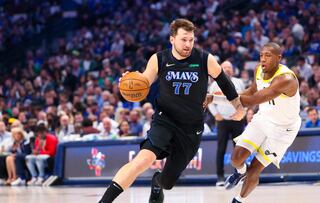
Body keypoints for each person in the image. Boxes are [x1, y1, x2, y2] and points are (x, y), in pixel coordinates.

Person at [98, 18, 244, 203]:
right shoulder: (159, 59)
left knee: (168, 182)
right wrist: (130, 80)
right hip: (164, 119)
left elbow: (224, 82)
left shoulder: (204, 59)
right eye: (184, 39)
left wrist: (238, 107)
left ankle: (157, 182)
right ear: (172, 39)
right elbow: (143, 82)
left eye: (191, 39)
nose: (188, 44)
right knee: (141, 161)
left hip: (191, 127)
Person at [207, 42, 301, 203]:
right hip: (262, 119)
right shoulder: (259, 69)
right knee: (236, 158)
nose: (263, 59)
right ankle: (240, 171)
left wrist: (216, 98)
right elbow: (250, 92)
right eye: (261, 55)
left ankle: (239, 199)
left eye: (268, 56)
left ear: (279, 58)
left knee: (255, 169)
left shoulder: (285, 79)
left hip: (282, 131)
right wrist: (226, 95)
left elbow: (251, 100)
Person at [208, 60, 245, 186]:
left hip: (237, 120)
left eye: (229, 67)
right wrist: (215, 114)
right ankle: (220, 177)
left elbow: (246, 99)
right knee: (221, 149)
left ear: (233, 70)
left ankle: (239, 175)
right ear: (220, 69)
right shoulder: (214, 85)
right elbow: (209, 100)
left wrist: (242, 112)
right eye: (225, 67)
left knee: (239, 150)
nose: (227, 69)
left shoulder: (240, 82)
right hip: (223, 121)